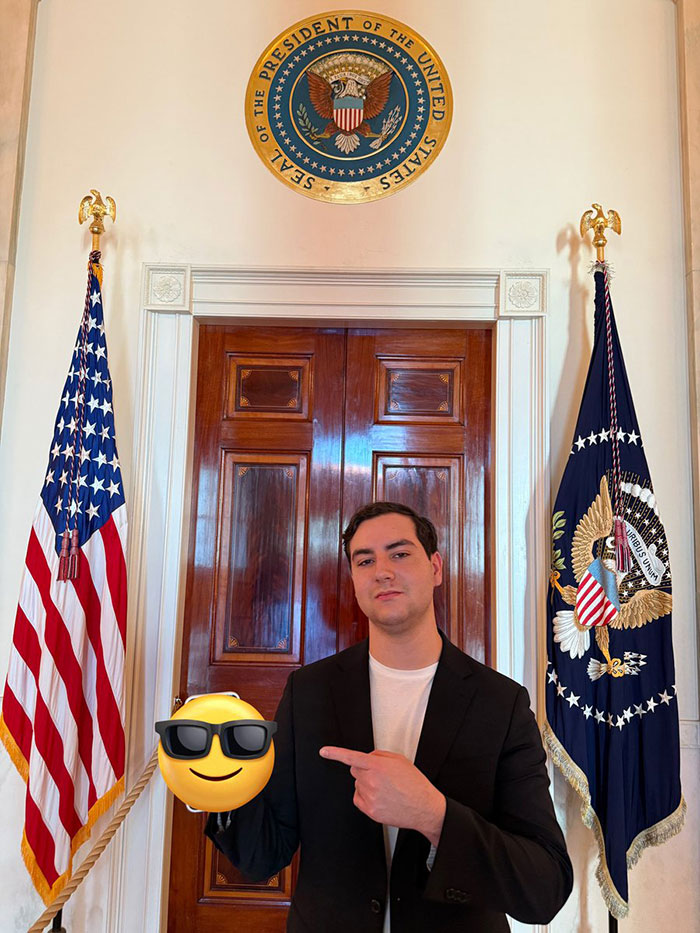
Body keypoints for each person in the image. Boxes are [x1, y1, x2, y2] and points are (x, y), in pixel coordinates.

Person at [205, 501, 573, 931]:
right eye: (365, 560)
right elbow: (264, 856)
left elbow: (544, 887)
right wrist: (219, 786)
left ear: (435, 567)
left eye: (399, 554)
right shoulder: (309, 693)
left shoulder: (501, 703)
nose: (382, 570)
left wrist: (434, 816)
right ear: (355, 580)